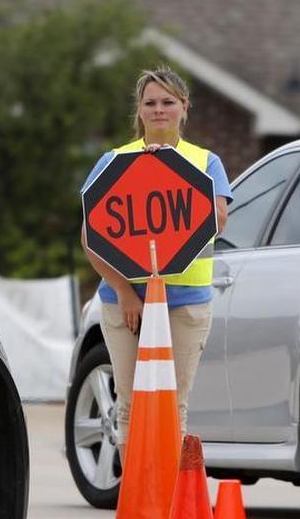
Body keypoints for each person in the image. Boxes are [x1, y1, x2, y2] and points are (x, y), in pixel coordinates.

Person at [80, 67, 232, 455]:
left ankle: (169, 503)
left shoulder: (205, 162)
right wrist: (124, 292)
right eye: (150, 103)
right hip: (125, 304)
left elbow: (215, 219)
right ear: (140, 110)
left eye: (168, 102)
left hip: (187, 304)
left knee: (173, 406)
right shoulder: (114, 161)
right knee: (129, 404)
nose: (158, 110)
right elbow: (91, 236)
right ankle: (135, 500)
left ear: (184, 108)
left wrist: (165, 168)